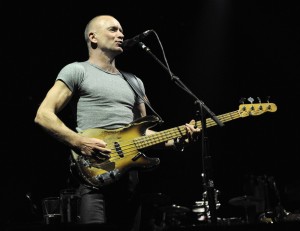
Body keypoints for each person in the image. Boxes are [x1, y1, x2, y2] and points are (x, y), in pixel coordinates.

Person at [34, 15, 200, 231]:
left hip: (129, 181)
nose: (121, 34)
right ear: (93, 37)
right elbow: (43, 115)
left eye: (121, 30)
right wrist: (78, 141)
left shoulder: (135, 82)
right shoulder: (77, 70)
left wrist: (176, 140)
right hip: (93, 174)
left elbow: (142, 135)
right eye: (113, 30)